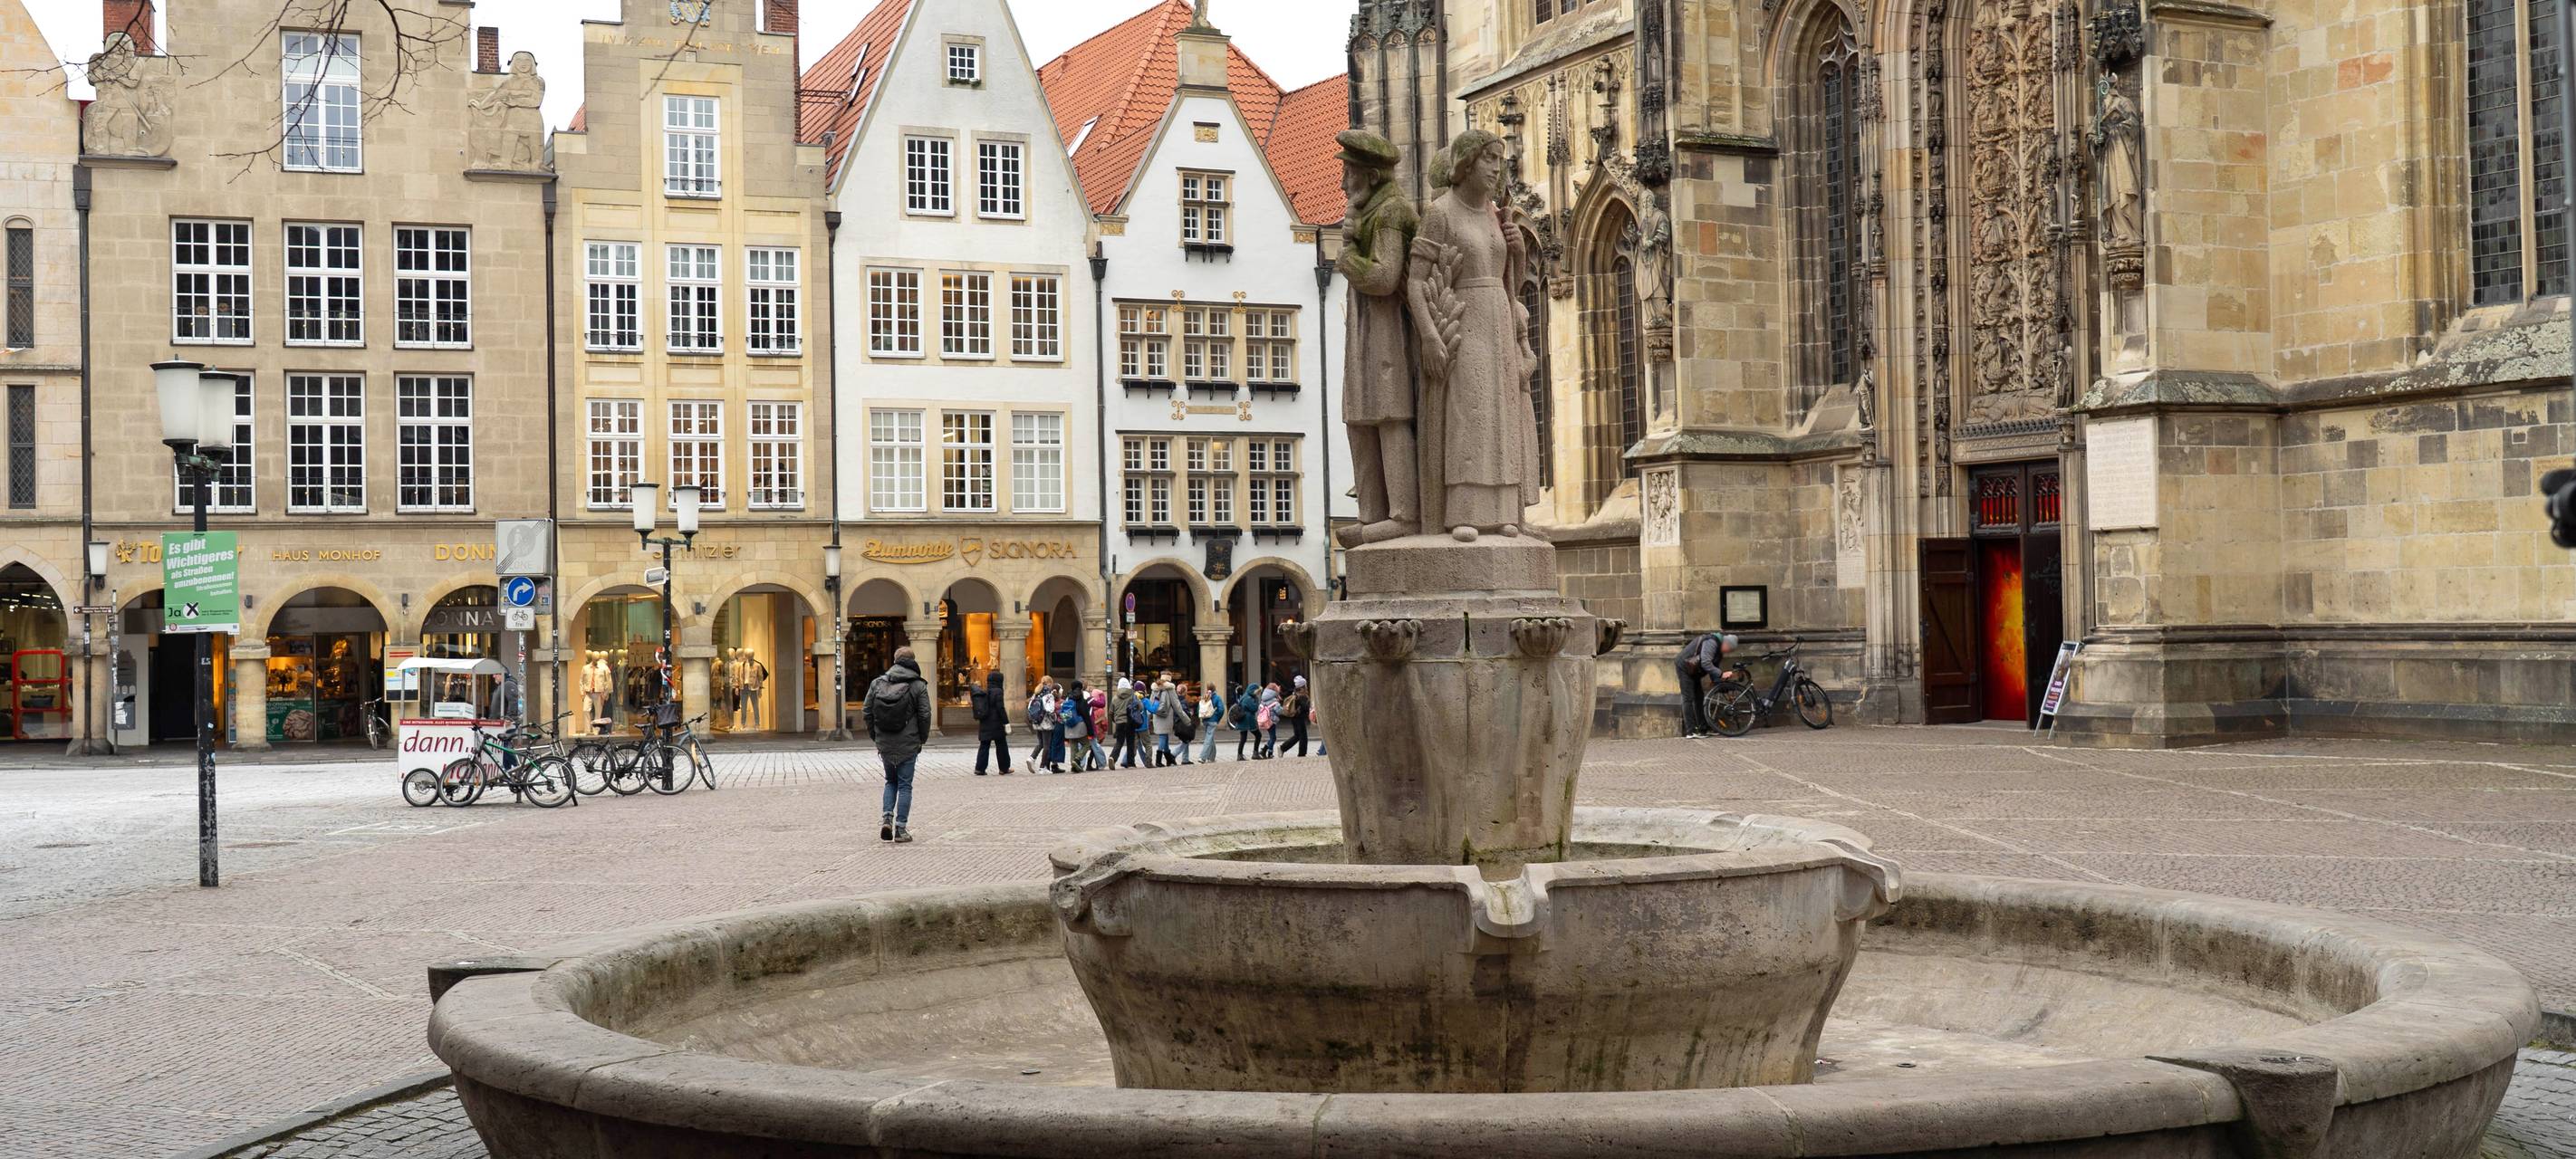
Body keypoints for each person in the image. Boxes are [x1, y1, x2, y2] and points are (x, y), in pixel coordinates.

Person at [863, 647, 932, 844]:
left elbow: (866, 711)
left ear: (894, 660)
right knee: (905, 785)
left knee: (890, 781)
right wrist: (922, 738)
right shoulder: (918, 686)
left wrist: (875, 736)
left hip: (885, 742)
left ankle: (887, 818)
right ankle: (901, 829)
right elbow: (925, 715)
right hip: (908, 742)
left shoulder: (878, 683)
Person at [1676, 631, 1725, 739]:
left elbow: (1714, 664)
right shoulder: (1711, 642)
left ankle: (1703, 729)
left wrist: (1717, 681)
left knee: (1699, 697)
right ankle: (1691, 731)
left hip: (1694, 669)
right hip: (1685, 667)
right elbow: (1706, 663)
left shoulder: (1718, 649)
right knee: (1688, 698)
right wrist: (1721, 674)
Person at [970, 670, 1012, 776]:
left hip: (985, 722)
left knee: (984, 745)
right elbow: (1000, 708)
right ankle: (1004, 768)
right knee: (1001, 745)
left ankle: (980, 768)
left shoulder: (986, 691)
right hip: (996, 723)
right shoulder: (998, 691)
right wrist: (1006, 722)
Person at [1149, 673, 1187, 766]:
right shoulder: (1170, 689)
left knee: (1164, 736)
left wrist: (1149, 716)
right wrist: (1186, 719)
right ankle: (1158, 760)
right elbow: (1177, 705)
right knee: (1163, 736)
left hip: (1156, 715)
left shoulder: (1155, 688)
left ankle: (1169, 759)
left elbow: (1150, 702)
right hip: (1166, 716)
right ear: (1170, 679)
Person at [1060, 679, 1091, 773]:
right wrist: (1091, 731)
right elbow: (1086, 716)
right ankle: (1077, 759)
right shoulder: (1082, 700)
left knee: (1073, 746)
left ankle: (1074, 767)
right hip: (1080, 725)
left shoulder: (1068, 698)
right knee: (1086, 744)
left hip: (1069, 725)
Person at [1110, 677, 1140, 768]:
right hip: (1130, 722)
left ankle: (1112, 757)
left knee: (1119, 742)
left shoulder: (1115, 698)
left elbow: (1110, 712)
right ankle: (1130, 763)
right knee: (1130, 743)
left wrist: (1115, 720)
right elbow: (1140, 707)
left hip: (1119, 723)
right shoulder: (1133, 696)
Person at [1230, 681, 1262, 760]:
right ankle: (1255, 753)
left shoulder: (1245, 696)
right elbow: (1254, 708)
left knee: (1243, 738)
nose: (1258, 694)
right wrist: (1257, 701)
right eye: (1257, 692)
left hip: (1243, 720)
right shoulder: (1249, 698)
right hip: (1248, 720)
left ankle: (1240, 755)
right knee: (1258, 735)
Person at [1282, 675, 1312, 757]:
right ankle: (1301, 754)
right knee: (1303, 737)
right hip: (1299, 718)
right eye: (1305, 685)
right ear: (1302, 687)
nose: (1306, 687)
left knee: (1297, 735)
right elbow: (1305, 708)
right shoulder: (1301, 696)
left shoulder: (1294, 693)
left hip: (1294, 717)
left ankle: (1283, 748)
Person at [1084, 685, 1111, 771]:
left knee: (1093, 748)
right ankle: (1098, 764)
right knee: (1096, 748)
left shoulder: (1090, 708)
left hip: (1089, 730)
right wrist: (1105, 729)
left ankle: (1090, 764)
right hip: (1098, 732)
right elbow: (1104, 723)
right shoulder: (1100, 710)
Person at [1197, 682, 1223, 763]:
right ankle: (1202, 757)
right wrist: (1217, 718)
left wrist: (1202, 718)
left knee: (1210, 738)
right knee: (1208, 739)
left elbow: (1199, 709)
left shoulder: (1204, 697)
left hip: (1205, 720)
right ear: (1215, 688)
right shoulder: (1217, 698)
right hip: (1213, 720)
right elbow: (1221, 709)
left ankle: (1211, 758)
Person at [1256, 683, 1282, 758]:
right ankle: (1265, 751)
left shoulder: (1263, 700)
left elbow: (1259, 710)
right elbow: (1279, 711)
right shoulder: (1274, 701)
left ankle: (1268, 752)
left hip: (1265, 720)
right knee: (1273, 738)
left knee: (1272, 737)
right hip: (1271, 722)